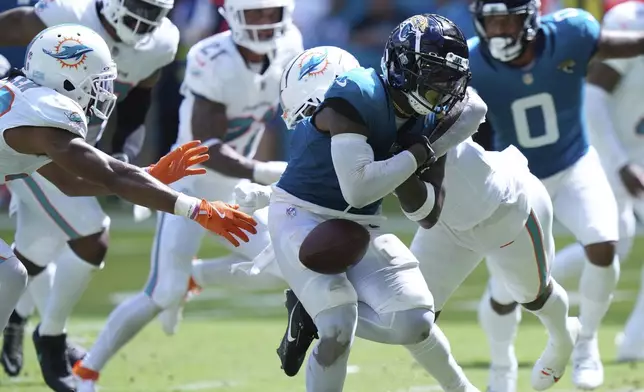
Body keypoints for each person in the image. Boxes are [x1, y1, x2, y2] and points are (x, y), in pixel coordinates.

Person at [0, 23, 257, 392]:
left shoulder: (27, 105)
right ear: (66, 77)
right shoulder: (44, 113)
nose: (104, 93)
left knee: (10, 274)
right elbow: (110, 175)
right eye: (97, 82)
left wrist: (149, 174)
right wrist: (196, 209)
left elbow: (72, 182)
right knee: (9, 274)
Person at [72, 0, 302, 390]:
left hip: (238, 189)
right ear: (231, 16)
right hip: (190, 186)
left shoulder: (291, 45)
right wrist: (263, 170)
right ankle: (86, 372)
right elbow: (207, 144)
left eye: (272, 12)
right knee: (162, 293)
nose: (265, 22)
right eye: (256, 13)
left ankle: (197, 276)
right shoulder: (210, 56)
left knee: (283, 266)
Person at [270, 14, 482, 392]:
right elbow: (359, 189)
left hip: (362, 225)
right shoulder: (357, 92)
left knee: (416, 321)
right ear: (403, 68)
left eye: (449, 77)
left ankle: (462, 388)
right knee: (337, 326)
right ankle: (319, 312)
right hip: (301, 213)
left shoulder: (430, 120)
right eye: (434, 74)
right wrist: (419, 152)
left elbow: (427, 213)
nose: (443, 87)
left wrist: (427, 147)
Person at [0, 0, 181, 384]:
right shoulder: (70, 16)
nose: (144, 17)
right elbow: (9, 25)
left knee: (35, 248)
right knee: (90, 235)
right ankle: (51, 338)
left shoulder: (161, 42)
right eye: (137, 5)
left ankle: (18, 318)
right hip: (39, 148)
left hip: (69, 152)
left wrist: (125, 159)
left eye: (154, 9)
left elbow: (137, 104)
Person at [468, 0, 644, 389]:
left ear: (529, 17)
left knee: (604, 244)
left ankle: (586, 344)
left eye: (506, 20)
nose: (498, 31)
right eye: (490, 22)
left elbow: (621, 44)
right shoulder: (471, 63)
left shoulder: (571, 34)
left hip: (574, 165)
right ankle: (502, 365)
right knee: (504, 293)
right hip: (518, 179)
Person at [584, 0, 644, 363]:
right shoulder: (627, 19)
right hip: (609, 151)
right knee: (611, 245)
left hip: (636, 153)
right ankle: (513, 285)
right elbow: (593, 97)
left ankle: (634, 345)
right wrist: (620, 162)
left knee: (615, 246)